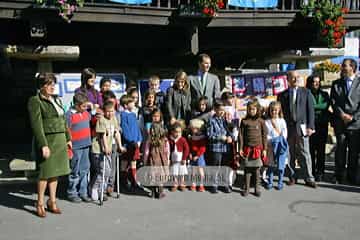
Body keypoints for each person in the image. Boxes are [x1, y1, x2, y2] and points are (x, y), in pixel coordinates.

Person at [28, 73, 71, 217]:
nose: (52, 86)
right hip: (48, 141)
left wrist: (68, 137)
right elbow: (36, 125)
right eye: (49, 84)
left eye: (53, 83)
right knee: (44, 174)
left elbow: (63, 120)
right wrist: (43, 145)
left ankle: (52, 201)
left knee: (56, 173)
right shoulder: (35, 101)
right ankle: (39, 202)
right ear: (41, 86)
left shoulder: (57, 100)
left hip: (60, 141)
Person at [278, 70, 316, 188]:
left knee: (305, 153)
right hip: (288, 128)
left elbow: (311, 111)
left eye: (297, 77)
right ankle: (292, 176)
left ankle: (309, 177)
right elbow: (280, 113)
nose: (295, 79)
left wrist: (311, 126)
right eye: (293, 78)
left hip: (302, 127)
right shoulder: (282, 95)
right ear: (287, 79)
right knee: (289, 153)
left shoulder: (306, 92)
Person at [330, 58, 360, 185]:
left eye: (344, 66)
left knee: (354, 151)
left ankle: (352, 176)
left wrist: (353, 117)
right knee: (340, 149)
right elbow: (334, 102)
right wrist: (342, 114)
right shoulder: (336, 83)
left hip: (355, 123)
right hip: (340, 122)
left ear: (352, 68)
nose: (342, 67)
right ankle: (339, 175)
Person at [90, 101, 125, 201]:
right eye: (108, 111)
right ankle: (94, 188)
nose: (110, 113)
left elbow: (117, 133)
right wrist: (105, 148)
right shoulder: (102, 120)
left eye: (112, 111)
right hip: (98, 149)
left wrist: (120, 146)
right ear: (104, 112)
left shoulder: (114, 119)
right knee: (102, 171)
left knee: (108, 171)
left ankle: (101, 189)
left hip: (108, 149)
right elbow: (102, 136)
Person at [65, 93, 92, 203]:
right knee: (74, 170)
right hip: (75, 147)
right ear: (76, 105)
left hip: (86, 145)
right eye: (83, 106)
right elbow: (66, 129)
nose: (85, 108)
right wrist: (68, 142)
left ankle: (83, 192)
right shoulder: (69, 115)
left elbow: (91, 119)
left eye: (86, 106)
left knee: (85, 169)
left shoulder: (86, 113)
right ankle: (72, 192)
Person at [239, 100, 267, 197]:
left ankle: (257, 188)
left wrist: (264, 149)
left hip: (257, 149)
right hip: (247, 149)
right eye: (250, 109)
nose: (251, 111)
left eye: (253, 109)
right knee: (247, 170)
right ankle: (246, 188)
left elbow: (264, 136)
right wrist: (241, 148)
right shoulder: (244, 121)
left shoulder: (261, 121)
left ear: (257, 109)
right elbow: (241, 136)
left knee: (256, 170)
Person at [306, 74, 330, 182]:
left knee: (321, 150)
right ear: (310, 83)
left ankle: (320, 172)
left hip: (322, 125)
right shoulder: (306, 93)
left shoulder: (324, 94)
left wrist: (313, 107)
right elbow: (305, 107)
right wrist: (316, 107)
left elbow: (326, 105)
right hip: (310, 125)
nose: (316, 83)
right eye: (314, 81)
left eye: (318, 81)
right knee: (311, 150)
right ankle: (312, 171)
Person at [207, 101, 233, 194]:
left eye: (223, 110)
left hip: (225, 147)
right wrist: (220, 137)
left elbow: (230, 131)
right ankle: (214, 184)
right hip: (216, 147)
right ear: (215, 109)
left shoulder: (224, 119)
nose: (222, 112)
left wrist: (231, 137)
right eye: (220, 110)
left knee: (224, 166)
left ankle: (224, 184)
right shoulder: (211, 120)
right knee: (216, 166)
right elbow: (210, 135)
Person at [120, 95, 143, 192]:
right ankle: (123, 181)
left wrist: (139, 139)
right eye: (131, 102)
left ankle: (134, 181)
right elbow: (125, 130)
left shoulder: (133, 115)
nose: (134, 103)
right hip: (128, 144)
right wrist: (131, 141)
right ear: (125, 105)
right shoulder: (123, 115)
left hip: (136, 144)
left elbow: (137, 129)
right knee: (124, 163)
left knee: (134, 162)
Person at [264, 101, 288, 190]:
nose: (274, 112)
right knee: (270, 165)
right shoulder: (267, 122)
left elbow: (284, 132)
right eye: (272, 110)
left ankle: (280, 181)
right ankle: (270, 181)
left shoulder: (282, 121)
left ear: (279, 110)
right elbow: (266, 134)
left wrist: (280, 139)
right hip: (271, 146)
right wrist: (271, 140)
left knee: (281, 165)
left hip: (281, 145)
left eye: (276, 110)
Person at [143, 122, 170, 199]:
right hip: (161, 161)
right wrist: (168, 159)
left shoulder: (150, 140)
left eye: (152, 130)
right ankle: (160, 192)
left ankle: (154, 192)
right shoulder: (164, 140)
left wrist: (145, 161)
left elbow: (146, 152)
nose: (151, 131)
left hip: (153, 161)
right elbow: (167, 151)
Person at [168, 122, 190, 191]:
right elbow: (168, 150)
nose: (178, 134)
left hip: (181, 159)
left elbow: (187, 149)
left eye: (180, 132)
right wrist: (169, 159)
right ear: (172, 132)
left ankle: (182, 184)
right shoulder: (170, 139)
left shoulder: (182, 139)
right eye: (176, 132)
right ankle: (175, 184)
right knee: (174, 172)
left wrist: (184, 158)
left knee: (181, 172)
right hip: (173, 159)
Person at [188, 118, 207, 192]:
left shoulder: (202, 138)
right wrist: (190, 153)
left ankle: (201, 185)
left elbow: (203, 149)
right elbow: (190, 146)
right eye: (192, 128)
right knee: (194, 170)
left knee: (200, 170)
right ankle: (194, 184)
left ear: (198, 129)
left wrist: (197, 155)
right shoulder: (192, 136)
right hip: (193, 154)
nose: (192, 130)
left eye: (194, 129)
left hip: (199, 156)